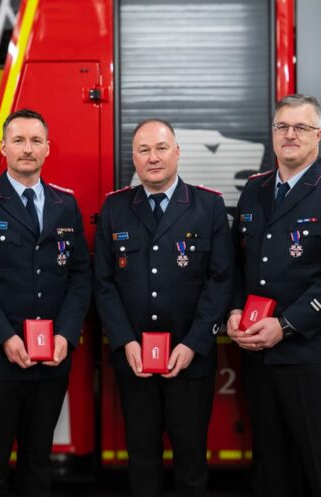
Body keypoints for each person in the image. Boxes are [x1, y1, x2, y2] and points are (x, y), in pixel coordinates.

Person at [226, 94, 321, 497]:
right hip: (262, 356)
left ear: (319, 135)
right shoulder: (255, 190)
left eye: (301, 128)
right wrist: (236, 308)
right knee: (273, 471)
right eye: (282, 127)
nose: (290, 135)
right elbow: (239, 264)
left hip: (317, 358)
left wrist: (287, 324)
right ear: (273, 133)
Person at [0, 108, 91, 497]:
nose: (28, 149)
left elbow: (80, 275)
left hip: (51, 359)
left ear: (47, 148)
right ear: (3, 147)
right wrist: (4, 337)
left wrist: (65, 334)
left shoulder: (65, 204)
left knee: (38, 461)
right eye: (19, 140)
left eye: (36, 141)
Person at [94, 118, 233, 497]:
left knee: (191, 460)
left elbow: (221, 280)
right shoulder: (115, 208)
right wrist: (125, 341)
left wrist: (193, 343)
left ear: (177, 152)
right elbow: (103, 283)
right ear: (134, 158)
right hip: (135, 360)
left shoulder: (208, 206)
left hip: (190, 359)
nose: (152, 158)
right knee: (141, 458)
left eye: (160, 148)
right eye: (143, 150)